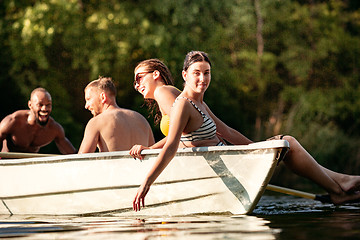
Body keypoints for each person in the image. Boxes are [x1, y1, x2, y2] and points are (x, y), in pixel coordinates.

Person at [131, 51, 360, 211]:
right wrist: (147, 182)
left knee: (285, 143)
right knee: (287, 141)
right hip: (222, 162)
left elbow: (228, 132)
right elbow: (174, 143)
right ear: (185, 75)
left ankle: (341, 184)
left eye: (207, 72)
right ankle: (340, 187)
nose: (203, 78)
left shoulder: (199, 104)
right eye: (197, 73)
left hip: (230, 157)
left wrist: (257, 149)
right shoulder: (181, 103)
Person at [78, 76, 155, 153]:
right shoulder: (141, 119)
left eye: (88, 99)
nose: (86, 106)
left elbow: (81, 160)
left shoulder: (96, 122)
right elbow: (154, 153)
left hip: (113, 165)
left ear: (103, 97)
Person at [0, 87, 76, 154]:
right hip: (6, 166)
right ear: (30, 105)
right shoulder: (13, 121)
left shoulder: (55, 129)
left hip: (30, 167)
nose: (44, 109)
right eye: (40, 104)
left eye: (48, 105)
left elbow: (74, 155)